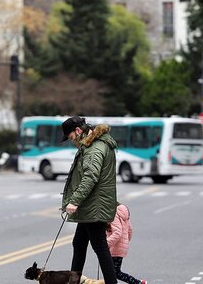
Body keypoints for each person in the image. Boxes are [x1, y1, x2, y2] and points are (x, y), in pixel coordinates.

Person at [61, 116, 118, 284]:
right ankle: (74, 280)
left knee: (99, 247)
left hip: (94, 205)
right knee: (79, 243)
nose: (72, 141)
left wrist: (75, 201)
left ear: (78, 131)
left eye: (71, 137)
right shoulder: (92, 144)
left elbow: (90, 177)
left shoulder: (94, 149)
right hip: (92, 205)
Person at [107, 203, 147, 284]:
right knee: (113, 272)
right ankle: (139, 282)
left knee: (114, 272)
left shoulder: (114, 215)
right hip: (120, 247)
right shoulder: (123, 214)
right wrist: (125, 243)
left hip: (115, 247)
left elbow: (117, 233)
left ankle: (138, 282)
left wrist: (106, 244)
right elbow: (130, 230)